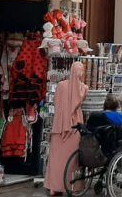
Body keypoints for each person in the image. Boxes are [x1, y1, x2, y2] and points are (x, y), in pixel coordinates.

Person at [45, 62, 88, 196]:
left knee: (56, 158)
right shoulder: (83, 88)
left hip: (59, 126)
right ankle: (73, 185)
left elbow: (57, 103)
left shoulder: (61, 85)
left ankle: (54, 186)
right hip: (74, 126)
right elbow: (78, 101)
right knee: (73, 159)